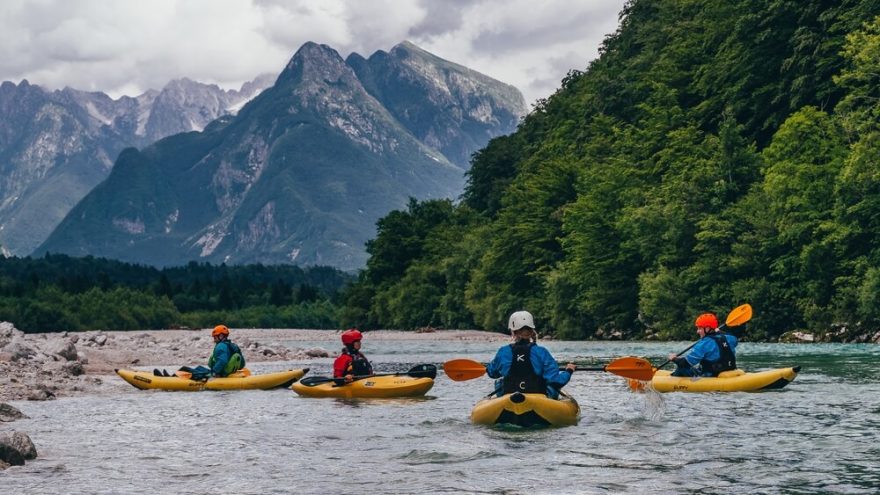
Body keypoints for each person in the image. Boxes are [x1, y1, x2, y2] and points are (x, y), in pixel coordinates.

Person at [487, 310, 577, 399]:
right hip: (539, 396)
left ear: (512, 331)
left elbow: (492, 373)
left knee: (499, 382)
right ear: (532, 331)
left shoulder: (503, 352)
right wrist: (569, 371)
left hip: (509, 395)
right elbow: (556, 381)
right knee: (552, 385)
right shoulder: (542, 352)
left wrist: (489, 368)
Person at [669, 312, 738, 377]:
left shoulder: (703, 344)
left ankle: (672, 380)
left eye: (699, 328)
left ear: (707, 328)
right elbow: (734, 340)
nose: (697, 331)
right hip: (729, 370)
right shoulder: (730, 338)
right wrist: (719, 332)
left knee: (681, 368)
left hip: (709, 375)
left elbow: (686, 363)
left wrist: (674, 359)